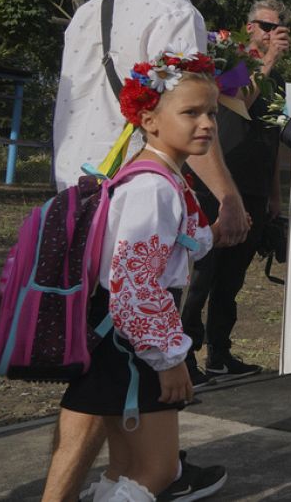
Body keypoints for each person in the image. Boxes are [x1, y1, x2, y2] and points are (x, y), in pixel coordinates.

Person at [47, 0, 245, 502]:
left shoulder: (89, 12)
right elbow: (183, 110)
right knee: (115, 360)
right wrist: (226, 198)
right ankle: (134, 479)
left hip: (76, 200)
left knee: (97, 374)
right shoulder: (177, 14)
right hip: (136, 192)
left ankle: (124, 477)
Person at [59, 51, 225, 500]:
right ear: (149, 120)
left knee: (126, 468)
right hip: (134, 341)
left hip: (124, 337)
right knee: (157, 470)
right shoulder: (152, 187)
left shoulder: (160, 176)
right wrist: (168, 359)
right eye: (190, 112)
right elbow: (134, 284)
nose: (207, 123)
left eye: (211, 112)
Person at [182, 0, 291, 386]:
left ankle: (220, 353)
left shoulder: (278, 80)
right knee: (204, 274)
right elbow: (238, 103)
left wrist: (276, 195)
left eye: (280, 29)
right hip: (220, 182)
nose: (272, 34)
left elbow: (275, 134)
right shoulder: (228, 63)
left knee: (233, 279)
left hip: (256, 185)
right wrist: (267, 62)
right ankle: (185, 355)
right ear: (248, 26)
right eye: (265, 26)